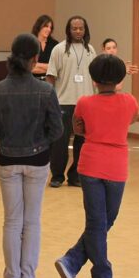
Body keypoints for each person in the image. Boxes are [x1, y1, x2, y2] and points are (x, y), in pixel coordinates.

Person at [54, 55, 138, 278]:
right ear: (121, 78)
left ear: (93, 78)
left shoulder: (84, 102)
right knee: (104, 221)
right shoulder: (130, 101)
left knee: (97, 222)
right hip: (116, 167)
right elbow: (129, 121)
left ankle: (72, 260)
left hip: (90, 165)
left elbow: (78, 128)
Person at [0, 34, 63, 278]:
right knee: (32, 222)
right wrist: (38, 141)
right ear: (34, 59)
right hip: (38, 160)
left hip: (7, 159)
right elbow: (57, 129)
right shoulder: (46, 91)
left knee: (12, 221)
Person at [46, 16, 96, 188]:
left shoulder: (90, 50)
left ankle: (75, 175)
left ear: (85, 30)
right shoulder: (59, 49)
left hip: (86, 103)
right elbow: (50, 76)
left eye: (81, 28)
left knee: (82, 142)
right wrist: (51, 100)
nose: (77, 31)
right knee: (60, 141)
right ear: (68, 30)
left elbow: (95, 78)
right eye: (74, 28)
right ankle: (57, 176)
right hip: (63, 102)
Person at [30, 14, 57, 79]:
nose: (49, 29)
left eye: (50, 27)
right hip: (32, 81)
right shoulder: (29, 43)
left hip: (50, 81)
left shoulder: (55, 44)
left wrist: (37, 65)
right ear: (39, 26)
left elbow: (57, 68)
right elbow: (28, 67)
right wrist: (49, 67)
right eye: (46, 26)